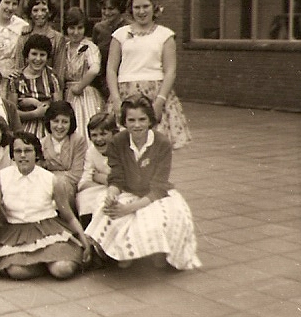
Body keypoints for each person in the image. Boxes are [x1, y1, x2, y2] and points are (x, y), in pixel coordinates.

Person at [86, 95, 201, 270]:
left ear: (150, 121)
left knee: (161, 216)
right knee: (106, 209)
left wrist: (128, 209)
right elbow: (117, 178)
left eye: (142, 119)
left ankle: (159, 252)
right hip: (128, 191)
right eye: (131, 120)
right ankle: (124, 252)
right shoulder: (118, 141)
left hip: (155, 195)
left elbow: (159, 187)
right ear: (124, 122)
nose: (137, 125)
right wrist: (111, 194)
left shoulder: (162, 143)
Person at [0, 131, 91, 280]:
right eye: (18, 151)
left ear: (36, 153)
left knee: (62, 269)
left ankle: (53, 263)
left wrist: (84, 241)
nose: (23, 155)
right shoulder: (1, 178)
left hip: (48, 230)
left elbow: (69, 217)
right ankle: (43, 265)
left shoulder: (51, 179)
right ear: (12, 155)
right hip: (17, 233)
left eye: (28, 150)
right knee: (16, 271)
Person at [106, 0, 192, 149]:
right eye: (136, 7)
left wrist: (160, 101)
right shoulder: (120, 34)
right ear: (131, 9)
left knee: (154, 148)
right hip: (126, 94)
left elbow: (170, 71)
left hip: (155, 94)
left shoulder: (165, 35)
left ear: (154, 7)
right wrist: (116, 100)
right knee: (125, 148)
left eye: (146, 6)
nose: (141, 11)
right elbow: (111, 69)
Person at [54, 6, 104, 140]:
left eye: (80, 28)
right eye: (72, 28)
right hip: (67, 94)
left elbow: (94, 69)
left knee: (84, 128)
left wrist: (80, 86)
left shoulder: (89, 47)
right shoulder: (64, 47)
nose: (76, 32)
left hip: (84, 92)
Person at [8, 34, 61, 138]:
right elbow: (12, 113)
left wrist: (34, 102)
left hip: (47, 129)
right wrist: (35, 113)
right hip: (23, 129)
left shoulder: (52, 76)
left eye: (42, 55)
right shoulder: (16, 78)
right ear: (27, 56)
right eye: (34, 54)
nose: (38, 59)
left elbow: (58, 109)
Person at [39, 101, 87, 213]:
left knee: (63, 186)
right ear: (49, 122)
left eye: (65, 122)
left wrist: (54, 177)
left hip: (69, 188)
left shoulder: (77, 141)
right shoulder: (42, 143)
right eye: (55, 121)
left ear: (71, 123)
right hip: (47, 188)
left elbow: (76, 174)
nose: (60, 126)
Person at [76, 112, 118, 228]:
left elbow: (125, 180)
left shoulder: (122, 148)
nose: (99, 139)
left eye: (103, 134)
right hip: (100, 188)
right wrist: (106, 181)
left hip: (121, 190)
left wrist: (100, 178)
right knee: (84, 197)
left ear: (114, 134)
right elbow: (84, 182)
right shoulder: (91, 152)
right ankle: (90, 236)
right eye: (94, 135)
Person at [92, 0, 128, 99]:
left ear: (120, 8)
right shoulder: (98, 29)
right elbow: (95, 59)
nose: (107, 13)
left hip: (126, 82)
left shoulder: (130, 28)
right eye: (104, 8)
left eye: (111, 9)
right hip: (103, 85)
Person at [15, 0, 65, 70]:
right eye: (35, 10)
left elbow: (59, 70)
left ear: (50, 13)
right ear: (30, 14)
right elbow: (19, 67)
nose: (39, 14)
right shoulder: (23, 38)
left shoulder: (58, 39)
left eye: (43, 10)